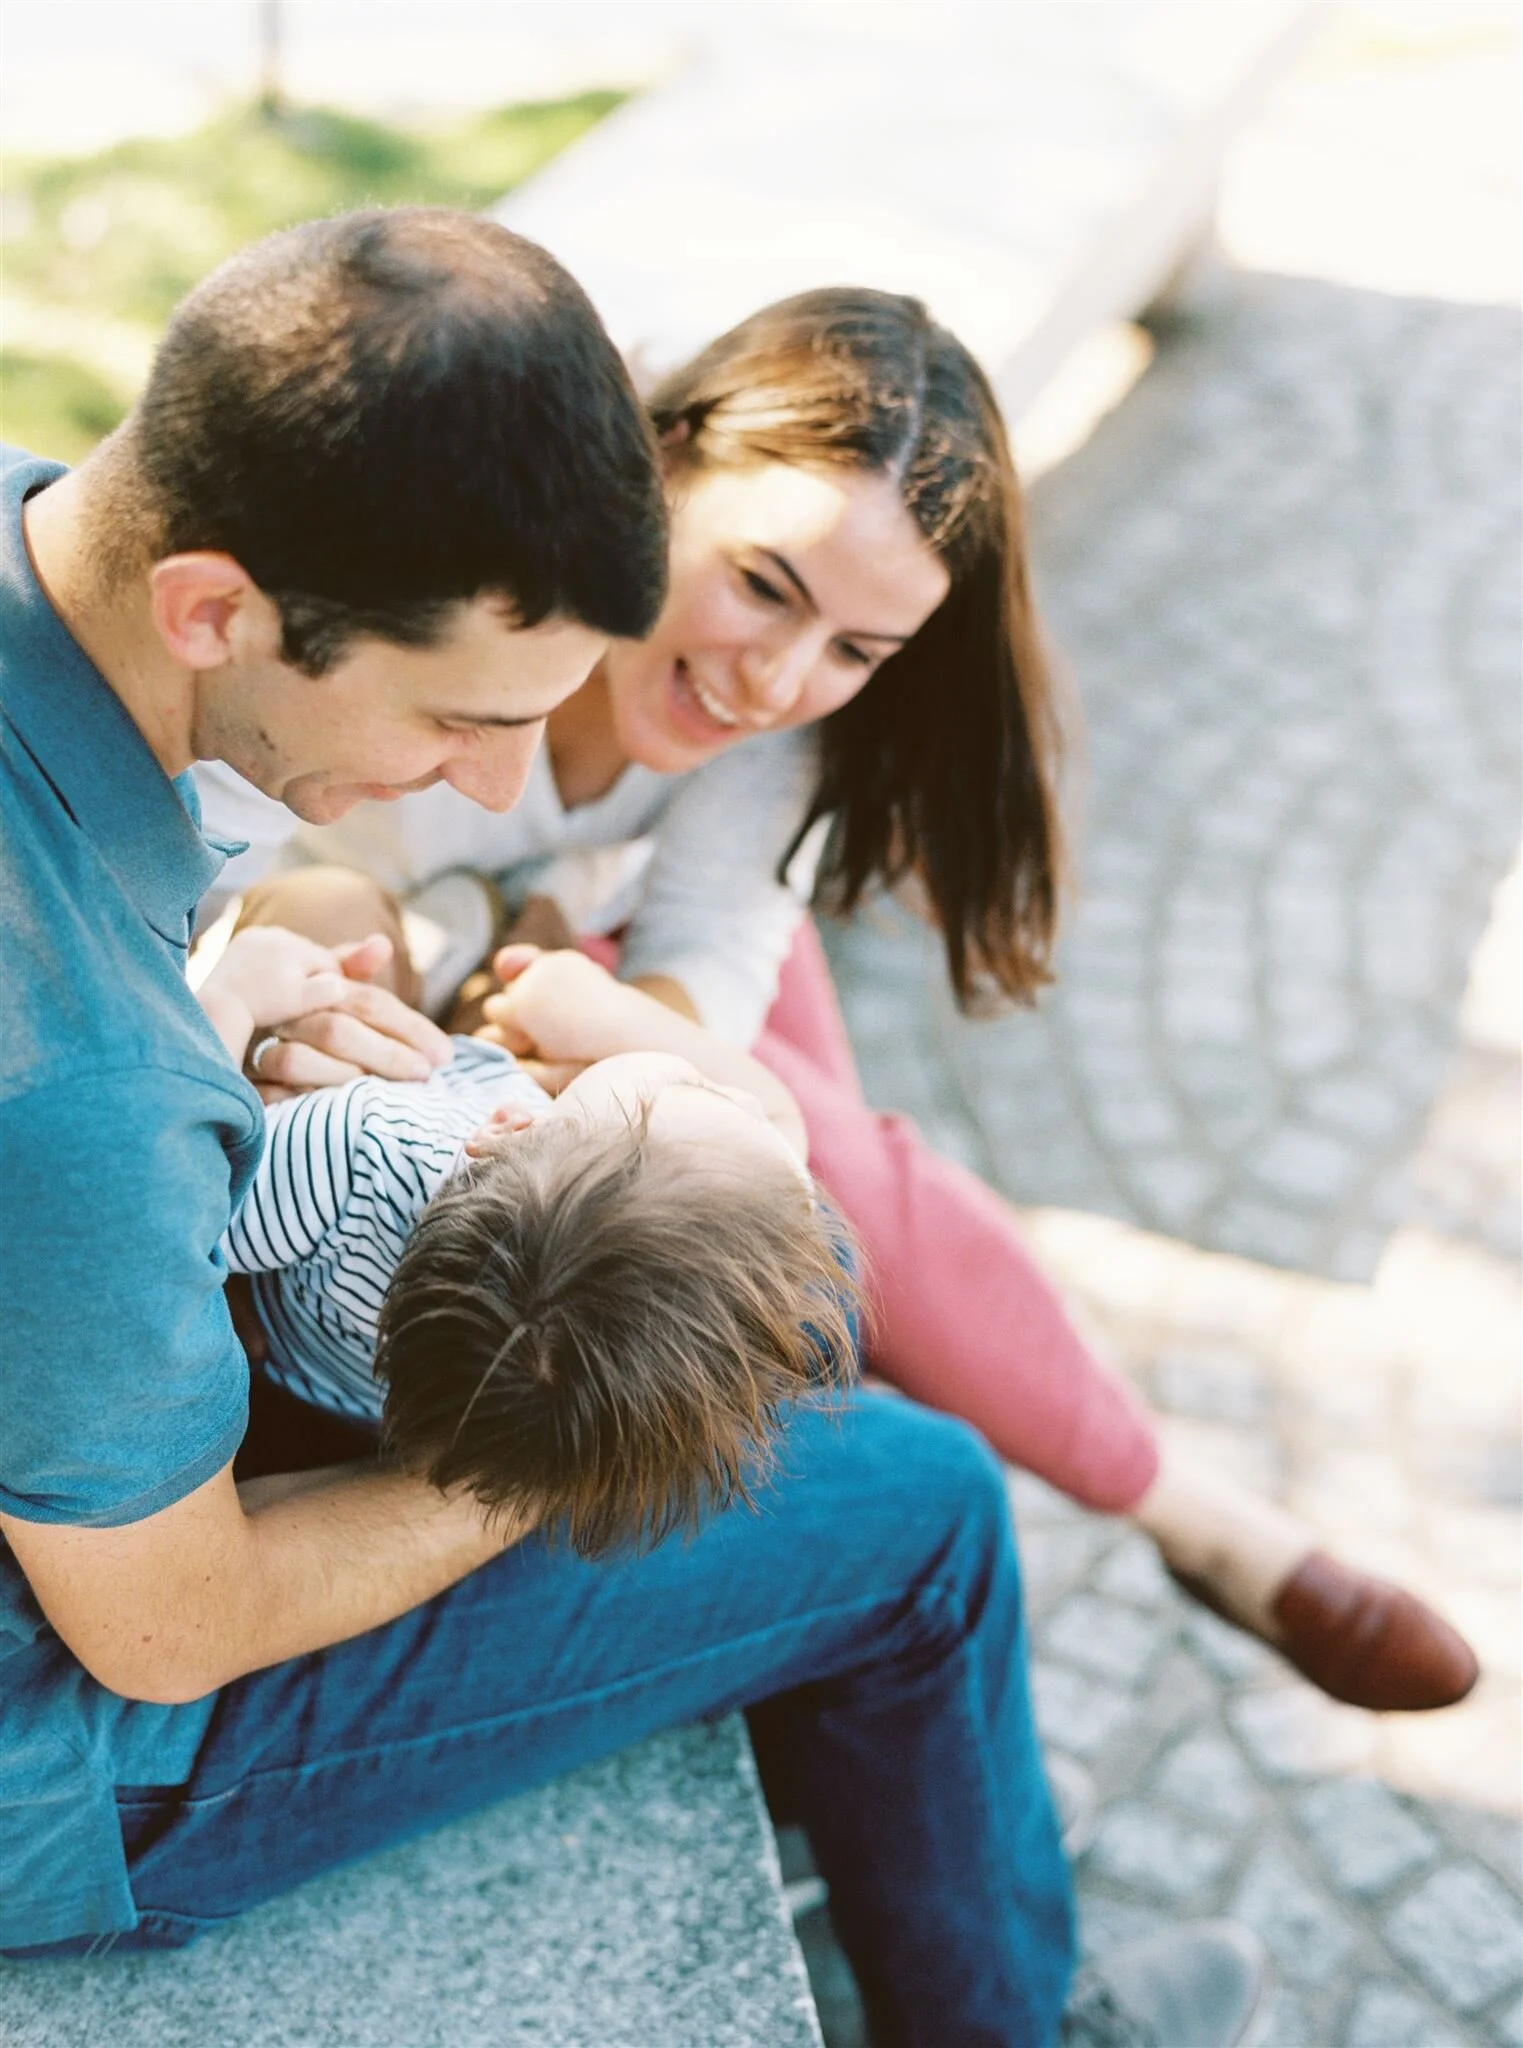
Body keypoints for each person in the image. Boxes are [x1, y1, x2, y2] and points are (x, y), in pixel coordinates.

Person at [0, 205, 1267, 2046]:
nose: (505, 787)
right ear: (215, 605)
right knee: (911, 1502)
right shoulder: (89, 1090)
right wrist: (607, 1411)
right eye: (455, 717)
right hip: (73, 1751)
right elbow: (168, 1628)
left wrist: (249, 1027)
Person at [198, 287, 1478, 1715]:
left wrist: (575, 1008)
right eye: (763, 586)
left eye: (856, 655)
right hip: (455, 989)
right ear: (662, 459)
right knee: (814, 1149)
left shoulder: (768, 744)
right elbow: (288, 880)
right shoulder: (465, 602)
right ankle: (1197, 1518)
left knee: (797, 1138)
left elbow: (710, 962)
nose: (776, 681)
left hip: (597, 987)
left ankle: (1182, 1515)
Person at [202, 924, 855, 1554]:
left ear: (510, 1127)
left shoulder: (357, 1153)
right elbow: (778, 1119)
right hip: (376, 1415)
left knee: (329, 905)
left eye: (689, 1085)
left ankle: (470, 941)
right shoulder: (615, 1391)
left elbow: (169, 1203)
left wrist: (228, 1002)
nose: (743, 1099)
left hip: (299, 1365)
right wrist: (606, 1014)